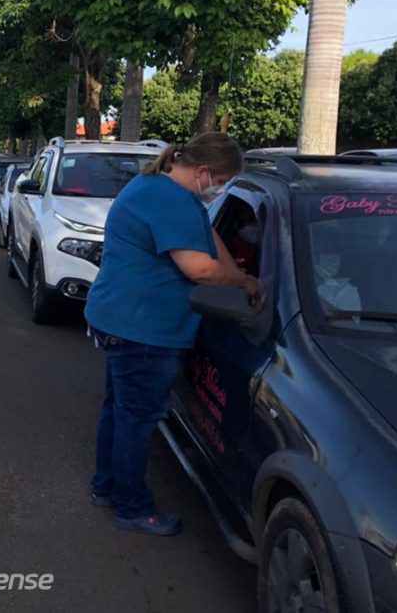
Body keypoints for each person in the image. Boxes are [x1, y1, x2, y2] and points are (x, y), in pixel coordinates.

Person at [84, 132, 260, 537]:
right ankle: (132, 507)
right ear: (203, 172)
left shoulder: (160, 187)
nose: (220, 190)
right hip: (144, 329)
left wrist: (233, 268)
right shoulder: (170, 199)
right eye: (221, 181)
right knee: (137, 418)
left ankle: (106, 486)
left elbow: (206, 235)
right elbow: (199, 268)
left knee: (121, 410)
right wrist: (245, 282)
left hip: (121, 318)